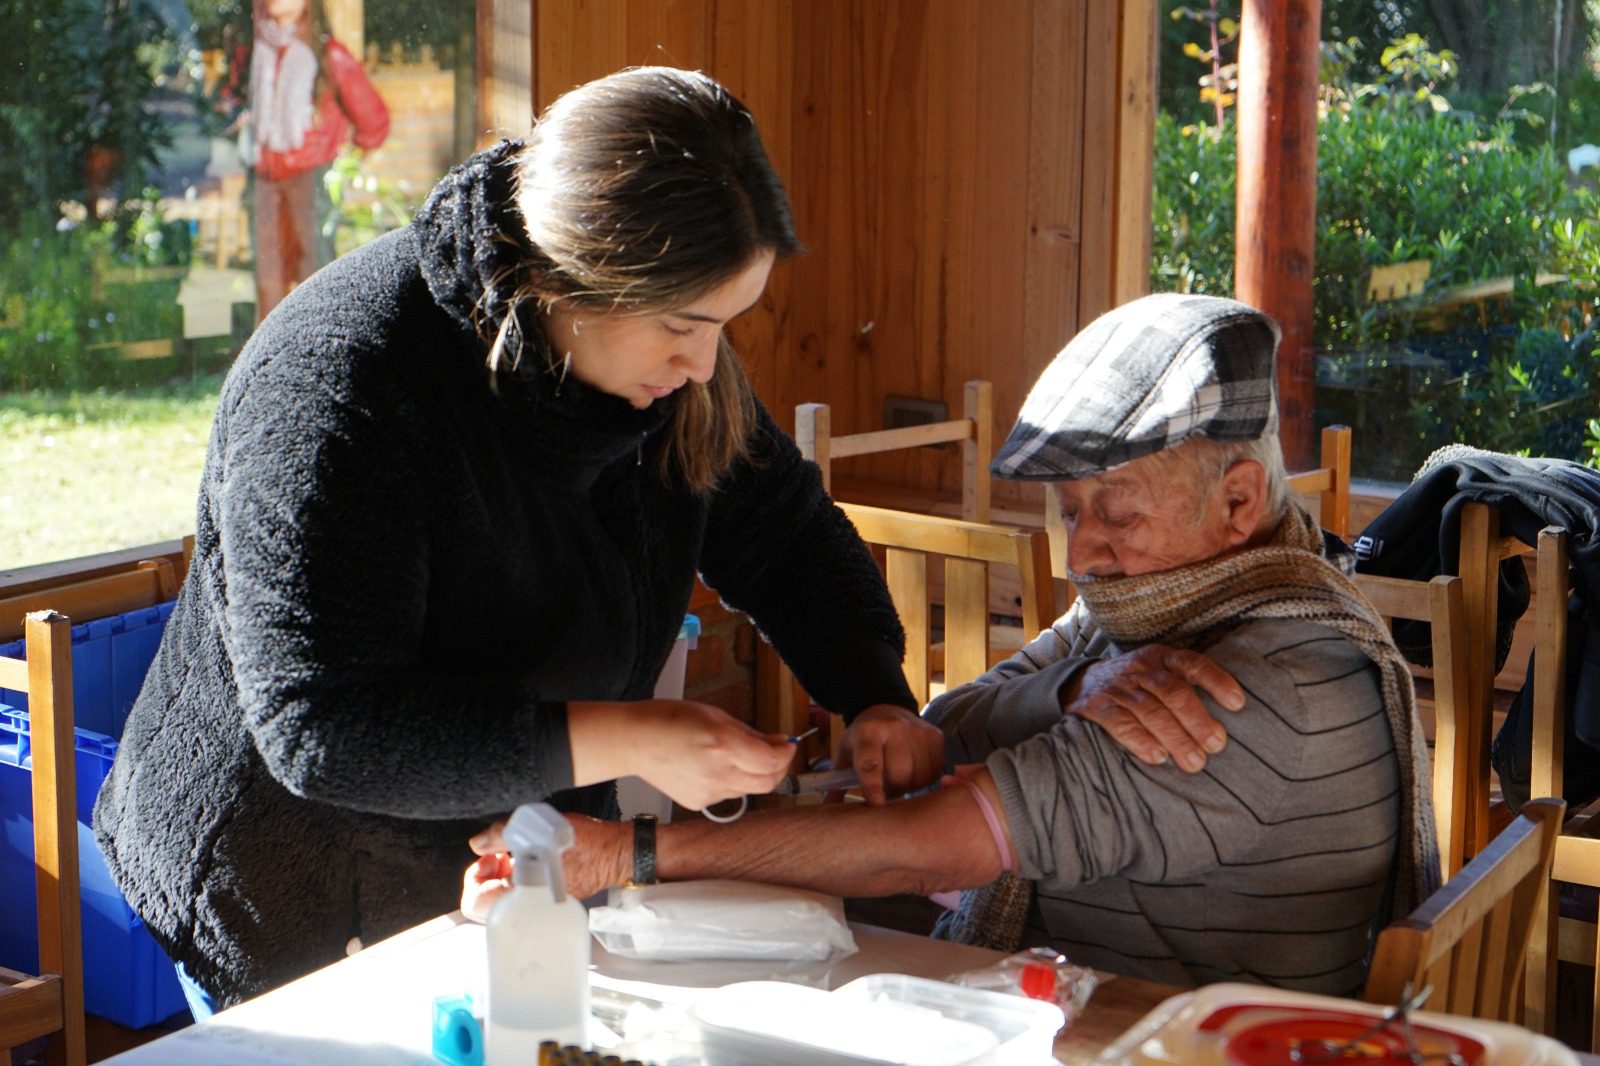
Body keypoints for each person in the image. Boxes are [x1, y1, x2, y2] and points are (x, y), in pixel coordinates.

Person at [93, 66, 942, 1014]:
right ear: (566, 277)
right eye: (682, 327)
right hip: (293, 867)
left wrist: (871, 693)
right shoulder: (343, 382)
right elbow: (325, 730)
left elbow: (782, 531)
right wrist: (634, 735)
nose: (704, 364)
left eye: (723, 327)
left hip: (507, 842)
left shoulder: (656, 361)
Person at [465, 293, 1442, 997]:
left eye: (1115, 512)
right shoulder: (1164, 608)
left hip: (1155, 1033)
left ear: (1236, 501)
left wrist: (624, 851)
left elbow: (915, 840)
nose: (1085, 551)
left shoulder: (1250, 690)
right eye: (1068, 512)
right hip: (1096, 997)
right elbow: (949, 726)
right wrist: (1070, 694)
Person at [246, 0, 389, 319]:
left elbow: (373, 120)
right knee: (269, 285)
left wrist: (346, 160)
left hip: (309, 180)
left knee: (314, 280)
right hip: (265, 180)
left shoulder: (329, 55)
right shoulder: (258, 50)